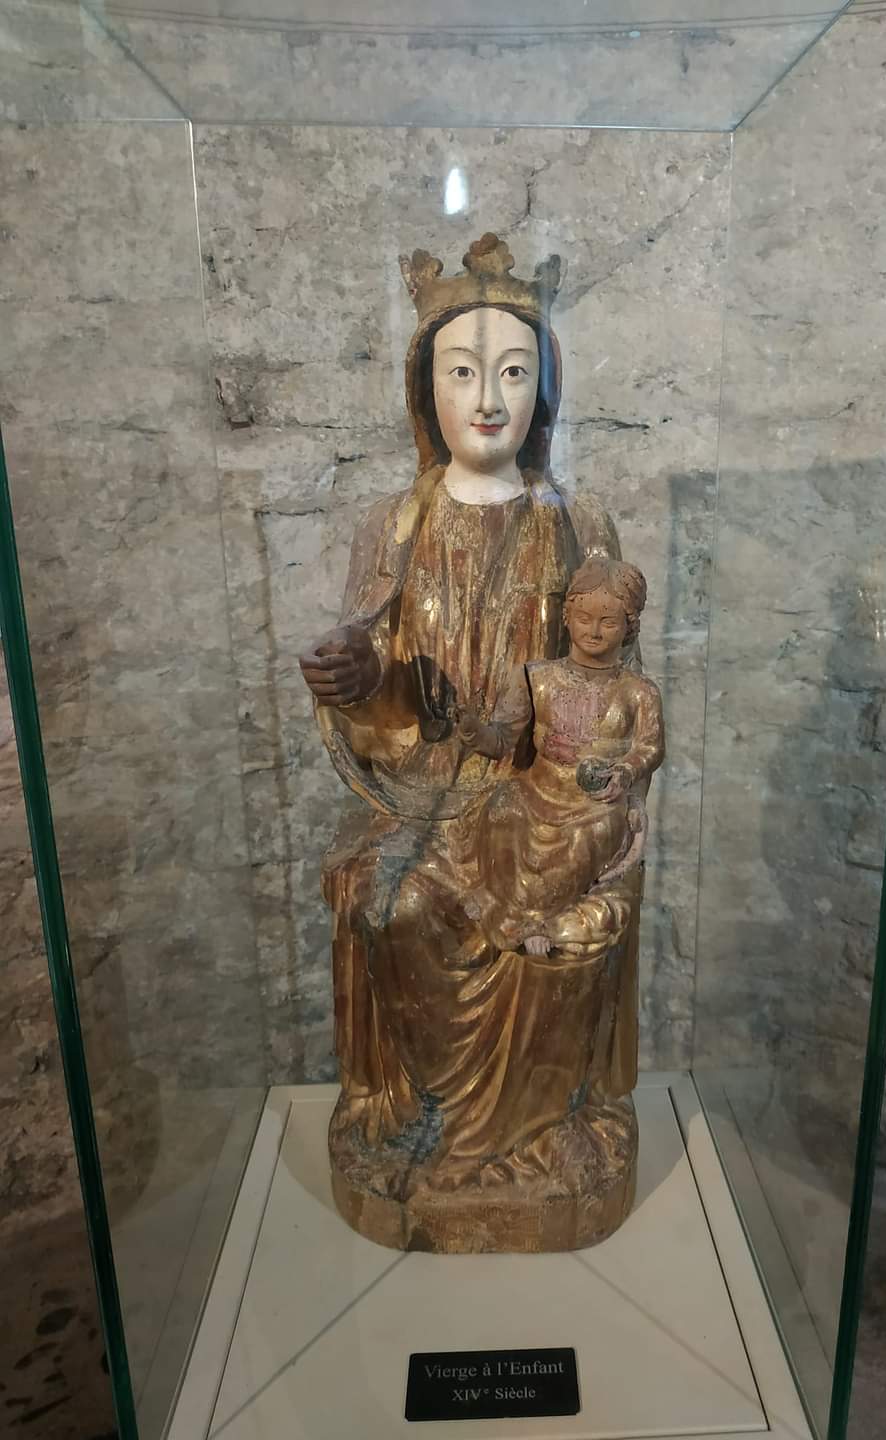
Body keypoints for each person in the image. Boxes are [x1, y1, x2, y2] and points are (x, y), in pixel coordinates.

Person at [297, 235, 643, 1251]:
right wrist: (356, 673)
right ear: (425, 390)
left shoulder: (579, 525)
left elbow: (618, 680)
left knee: (561, 911)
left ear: (546, 391)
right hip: (423, 785)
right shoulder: (395, 525)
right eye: (461, 372)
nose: (488, 400)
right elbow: (374, 647)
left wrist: (575, 764)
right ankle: (421, 1122)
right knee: (389, 901)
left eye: (514, 373)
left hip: (544, 788)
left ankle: (539, 1124)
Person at [457, 557, 664, 959]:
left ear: (629, 627)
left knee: (591, 835)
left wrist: (625, 772)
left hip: (593, 804)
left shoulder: (638, 691)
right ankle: (506, 911)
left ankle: (546, 922)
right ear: (567, 617)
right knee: (502, 810)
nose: (594, 631)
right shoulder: (536, 678)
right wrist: (472, 731)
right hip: (537, 789)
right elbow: (502, 741)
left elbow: (650, 746)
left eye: (608, 622)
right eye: (584, 618)